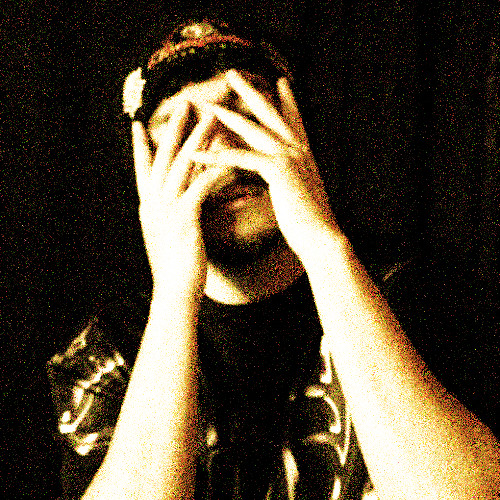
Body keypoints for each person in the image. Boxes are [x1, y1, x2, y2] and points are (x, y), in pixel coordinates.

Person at [48, 19, 500, 500]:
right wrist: (175, 292)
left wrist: (321, 245)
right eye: (184, 128)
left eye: (242, 111)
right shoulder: (106, 352)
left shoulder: (426, 291)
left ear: (296, 127)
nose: (223, 148)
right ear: (146, 166)